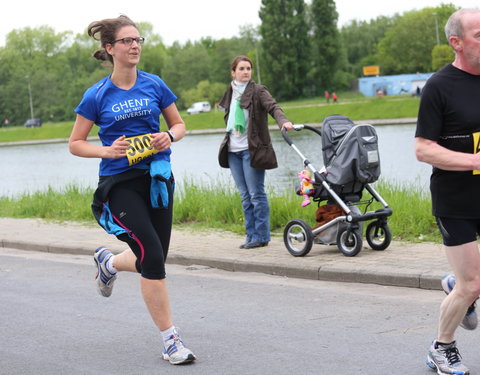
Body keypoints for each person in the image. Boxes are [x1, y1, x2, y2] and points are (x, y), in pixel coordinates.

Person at [69, 15, 196, 365]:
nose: (135, 45)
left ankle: (108, 262)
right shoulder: (96, 95)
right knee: (152, 257)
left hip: (157, 178)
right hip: (120, 184)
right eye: (126, 41)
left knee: (151, 258)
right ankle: (171, 341)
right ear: (110, 49)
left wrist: (168, 136)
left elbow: (180, 124)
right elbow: (76, 143)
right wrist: (106, 150)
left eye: (138, 39)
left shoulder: (154, 84)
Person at [415, 8, 480, 375]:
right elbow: (423, 148)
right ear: (456, 42)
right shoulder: (439, 86)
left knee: (471, 281)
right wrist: (474, 161)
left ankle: (459, 282)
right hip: (455, 199)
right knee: (473, 284)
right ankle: (442, 347)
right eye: (479, 35)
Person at [218, 55, 293, 249]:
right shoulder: (231, 92)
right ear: (233, 72)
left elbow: (273, 107)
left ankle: (262, 236)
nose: (245, 72)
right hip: (233, 150)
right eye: (241, 69)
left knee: (256, 195)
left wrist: (283, 121)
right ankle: (250, 236)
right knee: (245, 196)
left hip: (252, 151)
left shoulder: (258, 91)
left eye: (248, 68)